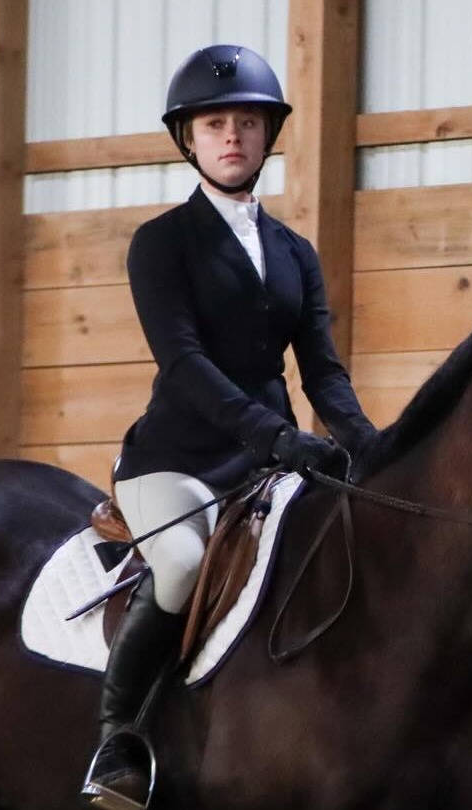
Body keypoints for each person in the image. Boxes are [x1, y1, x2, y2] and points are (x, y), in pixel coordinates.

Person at [80, 44, 377, 810]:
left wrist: (370, 446)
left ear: (268, 134)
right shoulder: (162, 243)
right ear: (190, 139)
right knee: (182, 565)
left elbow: (323, 373)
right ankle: (118, 742)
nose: (232, 136)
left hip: (271, 465)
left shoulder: (295, 253)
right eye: (215, 124)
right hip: (177, 461)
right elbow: (183, 364)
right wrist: (276, 436)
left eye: (247, 122)